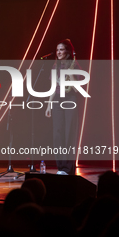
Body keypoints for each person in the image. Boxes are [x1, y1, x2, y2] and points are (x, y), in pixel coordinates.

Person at [45, 39, 79, 175]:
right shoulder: (55, 66)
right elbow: (53, 88)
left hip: (70, 98)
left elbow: (77, 89)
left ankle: (68, 168)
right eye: (57, 49)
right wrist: (48, 105)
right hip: (58, 100)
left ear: (68, 51)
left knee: (69, 133)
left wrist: (70, 74)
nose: (58, 52)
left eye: (61, 49)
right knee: (57, 134)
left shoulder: (74, 65)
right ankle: (61, 167)